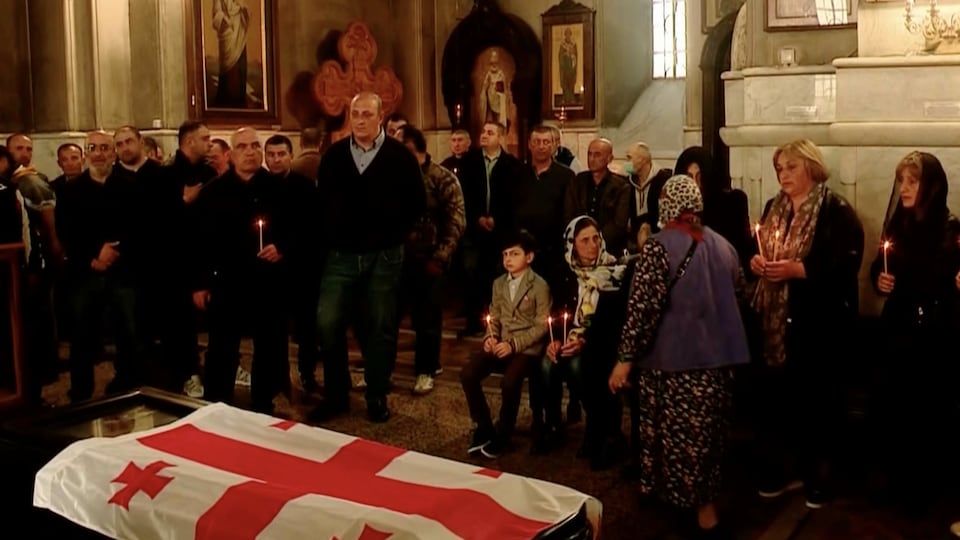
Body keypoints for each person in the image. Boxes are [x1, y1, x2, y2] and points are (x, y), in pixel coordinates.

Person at [611, 175, 749, 535]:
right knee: (707, 442)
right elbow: (739, 294)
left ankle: (690, 517)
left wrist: (624, 359)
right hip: (720, 365)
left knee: (676, 444)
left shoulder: (659, 247)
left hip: (674, 366)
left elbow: (642, 309)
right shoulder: (723, 246)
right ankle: (706, 510)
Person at [749, 139, 864, 509]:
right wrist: (758, 263)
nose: (783, 174)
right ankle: (784, 470)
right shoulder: (773, 207)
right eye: (779, 168)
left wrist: (799, 269)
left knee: (817, 401)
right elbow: (762, 246)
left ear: (811, 167)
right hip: (775, 321)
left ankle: (820, 476)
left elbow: (846, 263)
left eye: (791, 167)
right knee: (779, 401)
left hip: (817, 323)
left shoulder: (834, 210)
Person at [311, 91, 425, 423]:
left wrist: (393, 233)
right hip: (341, 255)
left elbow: (416, 203)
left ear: (380, 118)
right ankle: (336, 394)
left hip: (384, 255)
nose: (359, 119)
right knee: (328, 322)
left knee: (380, 326)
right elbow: (323, 205)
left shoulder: (399, 157)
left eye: (366, 114)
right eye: (355, 113)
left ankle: (377, 394)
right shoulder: (333, 156)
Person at [870, 151, 960, 515]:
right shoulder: (898, 226)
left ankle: (927, 488)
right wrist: (880, 279)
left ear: (931, 186)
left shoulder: (952, 229)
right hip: (899, 329)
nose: (904, 188)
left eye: (912, 181)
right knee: (897, 407)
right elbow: (882, 264)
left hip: (935, 334)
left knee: (930, 410)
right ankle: (898, 484)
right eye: (901, 181)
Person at [541, 216, 628, 466]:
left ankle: (599, 429)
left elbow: (615, 323)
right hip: (571, 338)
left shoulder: (615, 273)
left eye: (595, 239)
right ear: (572, 245)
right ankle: (553, 424)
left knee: (581, 366)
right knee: (548, 364)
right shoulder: (566, 274)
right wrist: (555, 340)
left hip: (602, 342)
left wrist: (584, 342)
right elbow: (558, 313)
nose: (592, 245)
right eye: (584, 241)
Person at [460, 230, 550, 458]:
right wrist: (490, 336)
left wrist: (513, 344)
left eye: (514, 254)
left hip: (527, 348)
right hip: (502, 342)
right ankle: (484, 426)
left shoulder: (539, 286)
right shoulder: (498, 283)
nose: (508, 259)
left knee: (510, 382)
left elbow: (541, 326)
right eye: (505, 254)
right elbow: (495, 316)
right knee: (469, 373)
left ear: (528, 257)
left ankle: (504, 434)